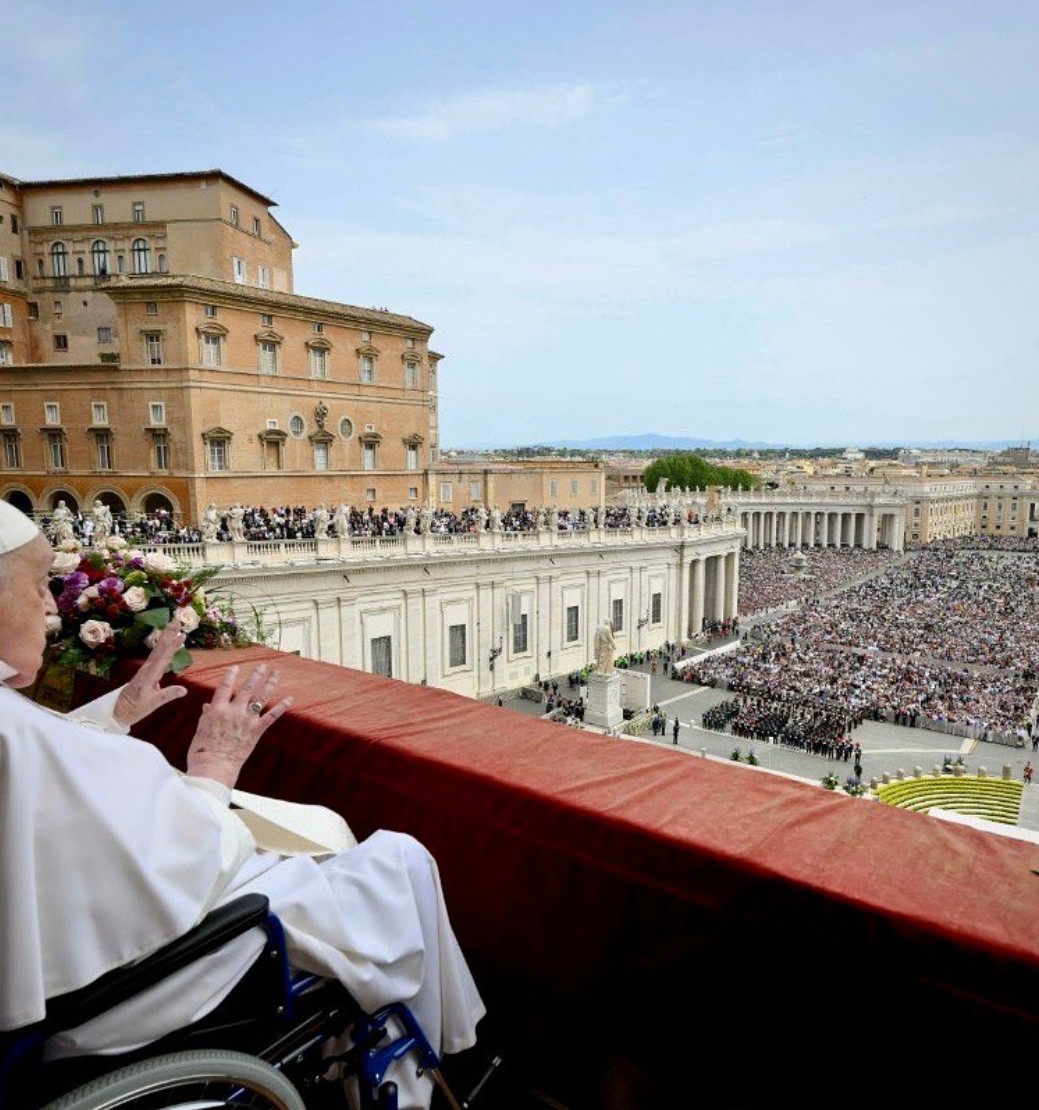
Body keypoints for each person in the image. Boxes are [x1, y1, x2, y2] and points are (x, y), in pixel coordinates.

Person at [0, 501, 484, 1109]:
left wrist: (117, 714)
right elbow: (185, 860)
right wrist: (215, 766)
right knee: (400, 860)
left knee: (331, 841)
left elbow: (45, 788)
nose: (52, 606)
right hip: (135, 986)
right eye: (39, 583)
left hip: (72, 967)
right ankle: (425, 1068)